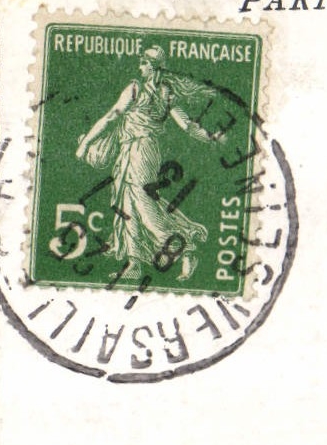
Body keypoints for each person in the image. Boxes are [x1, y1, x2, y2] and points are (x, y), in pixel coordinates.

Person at [74, 44, 225, 283]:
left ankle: (185, 249)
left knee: (143, 204)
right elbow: (187, 125)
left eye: (143, 62)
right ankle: (134, 263)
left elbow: (113, 115)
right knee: (127, 204)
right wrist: (209, 137)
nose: (140, 66)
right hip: (134, 149)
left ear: (152, 66)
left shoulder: (136, 88)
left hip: (140, 150)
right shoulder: (167, 93)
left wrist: (85, 144)